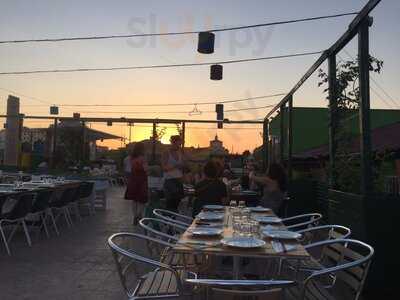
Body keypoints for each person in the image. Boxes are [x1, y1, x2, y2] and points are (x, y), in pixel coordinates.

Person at [124, 142, 148, 225]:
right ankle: (139, 215)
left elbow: (127, 170)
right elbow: (145, 169)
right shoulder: (143, 158)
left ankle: (135, 215)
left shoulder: (128, 158)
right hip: (142, 180)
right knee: (142, 200)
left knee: (134, 200)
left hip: (132, 180)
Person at [162, 135, 186, 212]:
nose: (180, 145)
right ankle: (168, 219)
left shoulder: (180, 153)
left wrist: (182, 166)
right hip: (169, 180)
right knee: (170, 202)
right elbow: (163, 168)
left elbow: (183, 165)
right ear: (173, 142)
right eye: (178, 144)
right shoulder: (166, 152)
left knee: (177, 201)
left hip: (179, 179)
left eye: (180, 144)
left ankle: (172, 219)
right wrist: (175, 166)